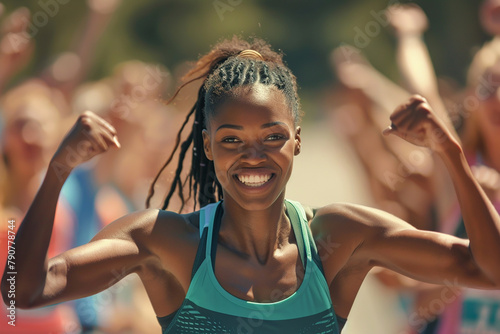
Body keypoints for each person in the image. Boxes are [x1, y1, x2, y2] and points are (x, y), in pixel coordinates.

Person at [2, 37, 500, 334]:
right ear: (208, 146)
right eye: (232, 139)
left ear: (298, 142)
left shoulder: (340, 238)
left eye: (273, 137)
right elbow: (21, 291)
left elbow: (487, 268)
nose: (254, 155)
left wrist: (452, 155)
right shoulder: (164, 243)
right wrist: (58, 172)